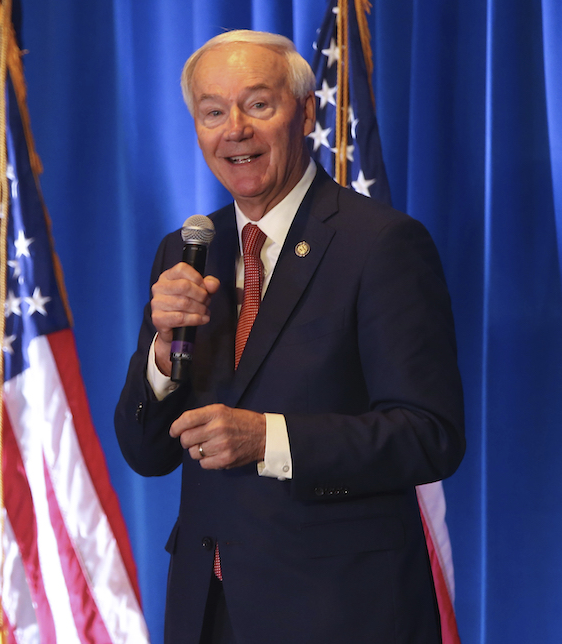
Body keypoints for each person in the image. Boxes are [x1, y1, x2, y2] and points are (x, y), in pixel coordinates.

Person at [114, 30, 465, 644]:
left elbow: (429, 436)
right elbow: (147, 453)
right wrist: (163, 359)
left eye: (258, 104)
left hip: (340, 611)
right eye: (213, 112)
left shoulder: (380, 244)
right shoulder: (187, 250)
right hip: (209, 611)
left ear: (304, 112)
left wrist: (269, 438)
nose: (235, 130)